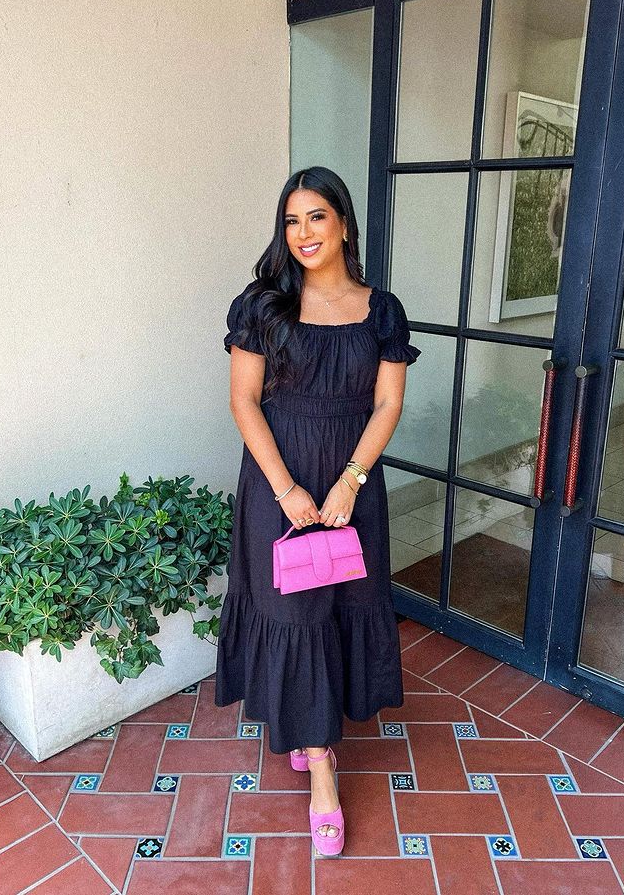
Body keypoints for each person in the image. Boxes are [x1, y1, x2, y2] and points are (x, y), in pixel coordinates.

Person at [214, 166, 421, 855]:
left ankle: (311, 726)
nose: (302, 233)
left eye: (317, 218)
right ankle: (322, 770)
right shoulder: (262, 305)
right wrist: (289, 491)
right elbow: (245, 400)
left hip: (350, 485)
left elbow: (388, 403)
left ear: (343, 225)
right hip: (280, 483)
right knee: (297, 614)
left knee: (339, 604)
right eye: (291, 221)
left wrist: (349, 482)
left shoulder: (381, 309)